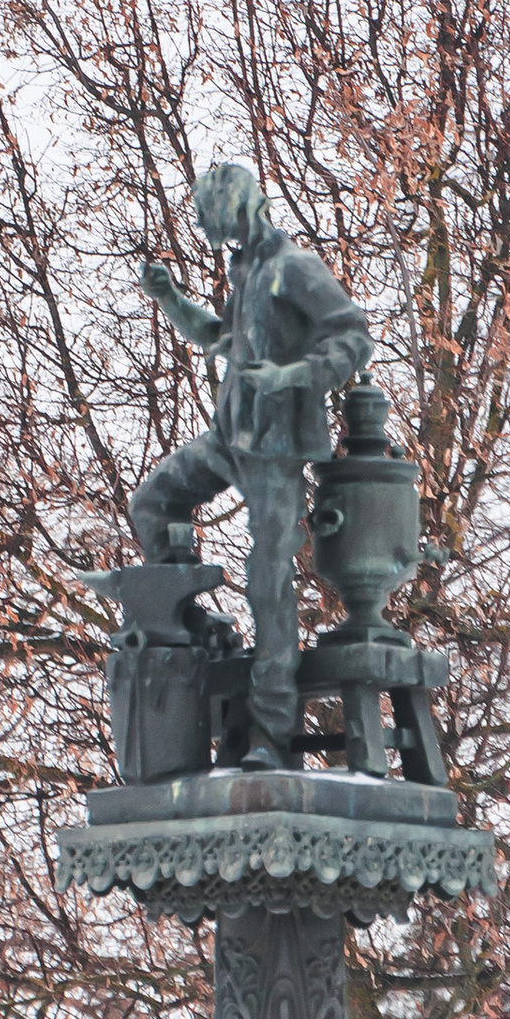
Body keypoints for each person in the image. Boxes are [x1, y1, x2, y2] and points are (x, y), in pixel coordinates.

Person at [132, 162, 372, 765]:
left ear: (245, 209)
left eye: (227, 227)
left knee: (267, 582)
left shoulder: (293, 267)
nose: (227, 241)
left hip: (275, 452)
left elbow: (353, 335)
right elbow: (219, 335)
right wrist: (169, 300)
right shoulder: (246, 270)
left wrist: (294, 375)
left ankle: (270, 732)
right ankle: (197, 626)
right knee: (152, 502)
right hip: (227, 439)